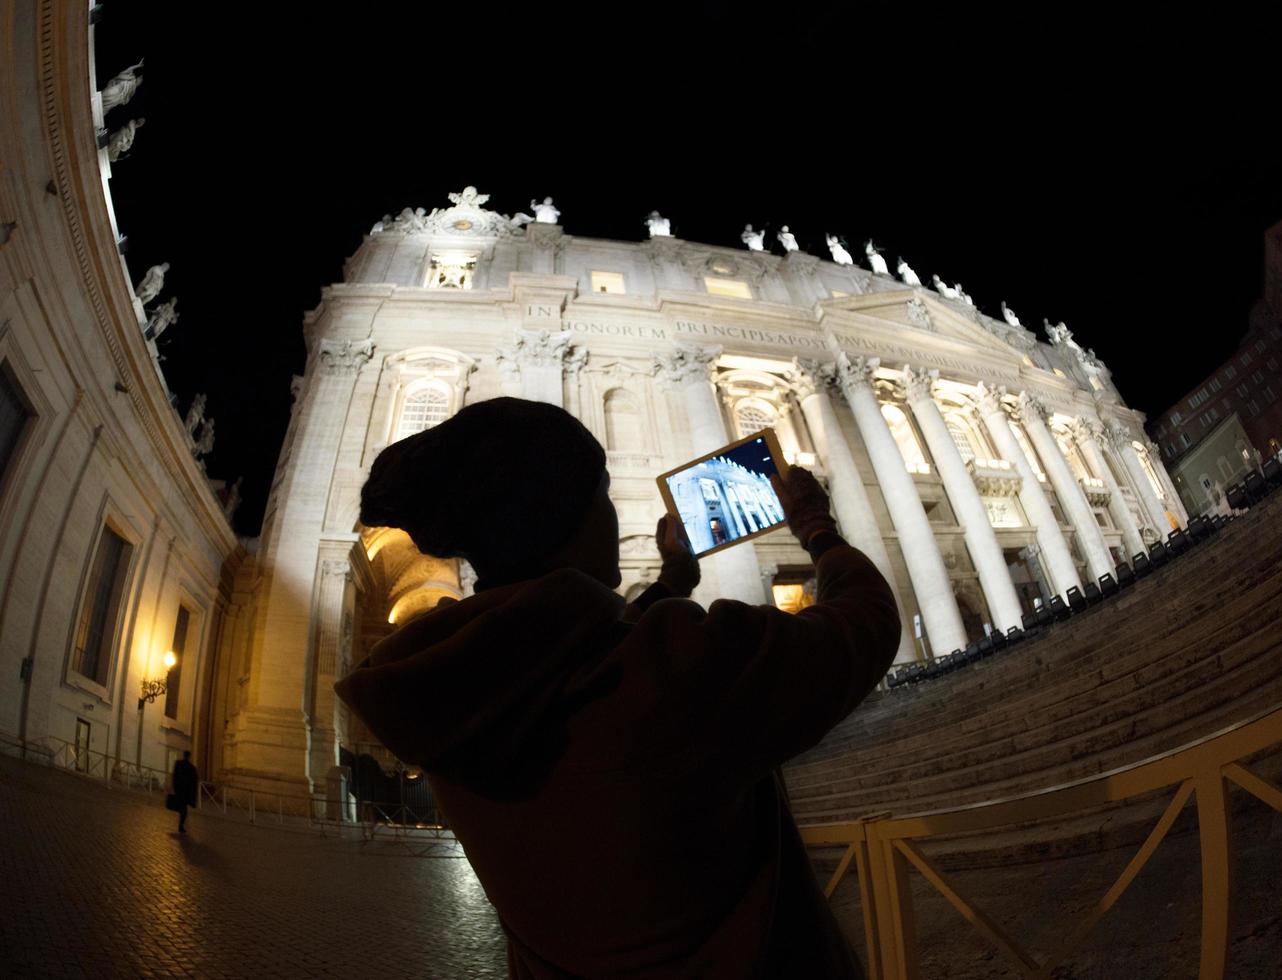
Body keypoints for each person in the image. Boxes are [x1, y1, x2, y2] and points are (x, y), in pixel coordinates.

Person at [337, 397, 900, 979]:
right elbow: (865, 624)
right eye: (602, 494)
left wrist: (672, 583)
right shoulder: (683, 670)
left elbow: (558, 654)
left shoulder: (445, 689)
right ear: (571, 517)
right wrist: (817, 528)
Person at [171, 750, 198, 834]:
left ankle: (181, 824)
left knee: (181, 807)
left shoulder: (178, 763)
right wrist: (194, 795)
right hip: (186, 792)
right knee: (184, 809)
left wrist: (174, 787)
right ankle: (181, 825)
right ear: (189, 757)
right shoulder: (192, 767)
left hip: (179, 789)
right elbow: (194, 781)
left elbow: (174, 776)